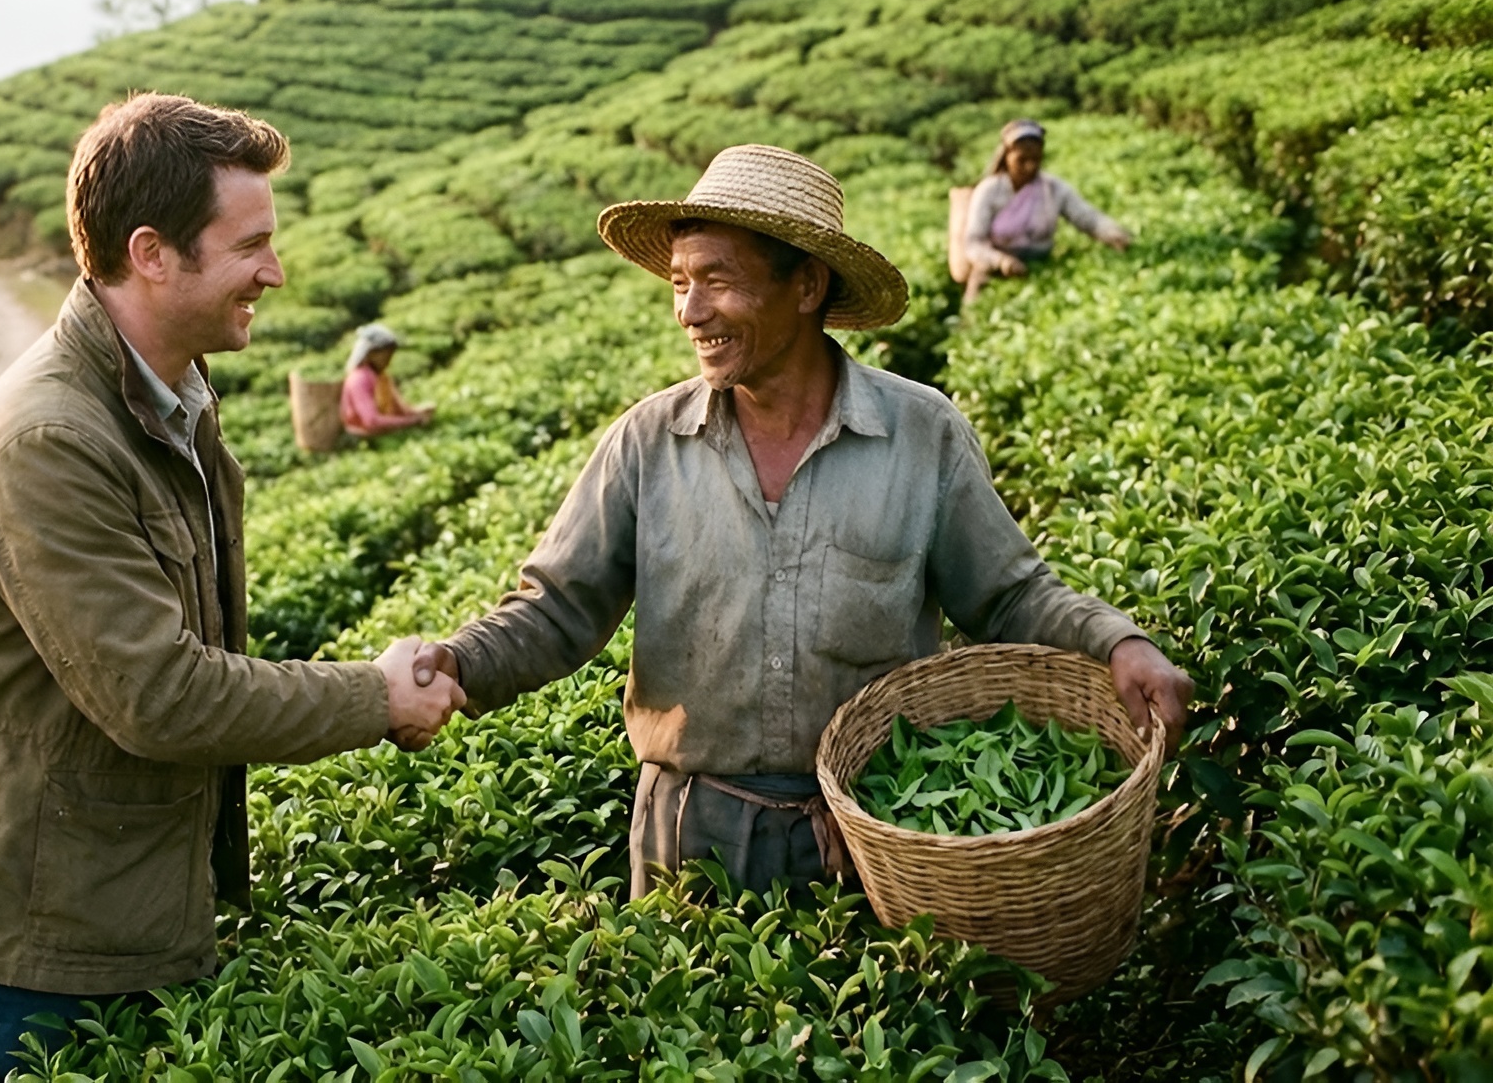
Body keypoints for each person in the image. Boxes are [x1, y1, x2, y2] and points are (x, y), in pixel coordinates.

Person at [410, 143, 1194, 899]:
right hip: (689, 830)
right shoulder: (647, 444)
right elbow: (556, 610)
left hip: (873, 834)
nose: (690, 310)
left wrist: (1115, 642)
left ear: (808, 285)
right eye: (679, 283)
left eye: (718, 280)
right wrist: (458, 662)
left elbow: (1010, 595)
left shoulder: (921, 435)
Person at [0, 93, 465, 1082]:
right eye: (250, 245)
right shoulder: (49, 439)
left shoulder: (171, 392)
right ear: (151, 252)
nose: (274, 273)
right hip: (35, 931)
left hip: (120, 893)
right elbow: (157, 692)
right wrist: (375, 694)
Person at [962, 119, 1131, 305]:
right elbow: (973, 243)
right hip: (993, 269)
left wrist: (1112, 233)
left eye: (1036, 159)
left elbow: (1087, 217)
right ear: (1007, 155)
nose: (1030, 166)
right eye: (1022, 160)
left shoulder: (1052, 189)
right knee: (978, 310)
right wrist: (1002, 261)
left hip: (1039, 265)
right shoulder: (990, 191)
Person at [340, 323, 433, 437]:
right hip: (361, 438)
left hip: (383, 434)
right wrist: (413, 421)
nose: (389, 360)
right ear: (371, 353)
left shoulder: (381, 377)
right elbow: (371, 421)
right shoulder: (359, 378)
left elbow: (399, 409)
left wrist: (420, 411)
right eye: (387, 355)